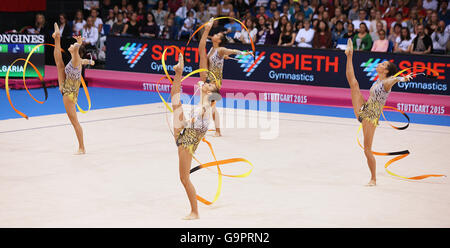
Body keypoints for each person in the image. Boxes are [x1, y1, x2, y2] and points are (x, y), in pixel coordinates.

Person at [344, 38, 412, 186]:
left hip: (371, 116)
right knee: (354, 84)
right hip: (366, 108)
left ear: (386, 71)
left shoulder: (387, 83)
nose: (380, 64)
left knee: (367, 150)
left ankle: (373, 179)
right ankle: (350, 54)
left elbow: (392, 80)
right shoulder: (378, 81)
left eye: (383, 64)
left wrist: (402, 78)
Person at [199, 18, 251, 137]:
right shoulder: (212, 49)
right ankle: (215, 130)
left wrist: (244, 53)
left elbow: (231, 51)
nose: (215, 34)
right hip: (209, 80)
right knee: (210, 107)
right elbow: (212, 61)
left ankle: (207, 128)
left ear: (219, 40)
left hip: (215, 81)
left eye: (217, 34)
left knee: (207, 106)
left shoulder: (221, 49)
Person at [52, 23, 95, 155]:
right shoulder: (75, 61)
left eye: (71, 46)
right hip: (67, 88)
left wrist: (78, 43)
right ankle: (57, 38)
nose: (70, 46)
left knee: (75, 122)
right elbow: (82, 60)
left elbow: (77, 51)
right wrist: (89, 62)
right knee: (59, 63)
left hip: (69, 94)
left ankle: (82, 147)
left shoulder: (75, 59)